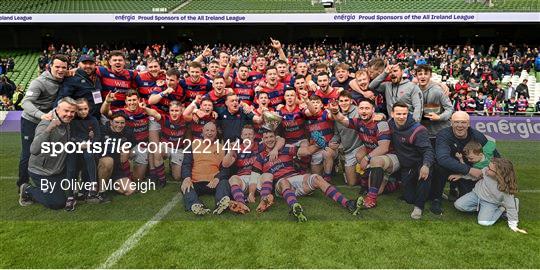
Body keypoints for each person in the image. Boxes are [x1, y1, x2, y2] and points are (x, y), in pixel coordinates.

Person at [251, 129, 362, 222]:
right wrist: (251, 193)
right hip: (280, 184)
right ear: (262, 140)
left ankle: (347, 203)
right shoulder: (260, 156)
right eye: (266, 138)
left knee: (317, 178)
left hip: (295, 177)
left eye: (271, 136)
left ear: (276, 138)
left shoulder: (285, 148)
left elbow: (307, 151)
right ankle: (295, 207)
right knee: (284, 182)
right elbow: (254, 176)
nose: (269, 139)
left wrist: (318, 145)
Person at [329, 99, 400, 209]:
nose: (364, 111)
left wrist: (367, 158)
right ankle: (388, 183)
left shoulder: (381, 123)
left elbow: (384, 147)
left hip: (391, 156)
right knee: (359, 155)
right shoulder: (359, 122)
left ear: (373, 110)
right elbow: (342, 119)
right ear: (358, 110)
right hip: (375, 156)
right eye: (361, 108)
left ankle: (371, 198)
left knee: (373, 160)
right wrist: (335, 112)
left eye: (367, 108)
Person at [431, 111, 500, 214]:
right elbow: (443, 158)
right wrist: (469, 170)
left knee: (466, 202)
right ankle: (436, 199)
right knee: (438, 167)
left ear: (468, 124)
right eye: (456, 122)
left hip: (469, 170)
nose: (460, 125)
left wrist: (497, 175)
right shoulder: (443, 135)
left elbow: (496, 157)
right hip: (451, 168)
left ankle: (457, 190)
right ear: (451, 123)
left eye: (463, 122)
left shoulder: (477, 136)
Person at [19, 54, 68, 189]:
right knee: (29, 152)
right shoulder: (39, 82)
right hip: (32, 120)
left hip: (49, 121)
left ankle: (49, 181)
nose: (60, 70)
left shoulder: (64, 78)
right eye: (57, 67)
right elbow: (25, 102)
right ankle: (23, 184)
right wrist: (40, 115)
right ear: (50, 66)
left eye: (64, 67)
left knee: (49, 151)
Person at [18, 98, 77, 209]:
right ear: (58, 109)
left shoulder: (66, 121)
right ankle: (27, 190)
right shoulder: (46, 124)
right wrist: (49, 129)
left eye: (72, 112)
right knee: (57, 203)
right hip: (42, 172)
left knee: (69, 194)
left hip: (57, 170)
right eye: (66, 111)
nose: (69, 114)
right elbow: (34, 150)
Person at [454, 158, 526, 233]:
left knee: (483, 222)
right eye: (488, 166)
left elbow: (511, 208)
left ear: (499, 173)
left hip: (490, 203)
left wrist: (513, 225)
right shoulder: (486, 171)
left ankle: (502, 208)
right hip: (475, 195)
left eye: (489, 168)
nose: (486, 169)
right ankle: (483, 210)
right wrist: (461, 176)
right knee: (458, 205)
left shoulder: (505, 189)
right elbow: (476, 175)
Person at [389, 102, 434, 219]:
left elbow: (428, 150)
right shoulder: (390, 124)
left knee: (425, 175)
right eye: (398, 114)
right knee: (409, 199)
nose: (401, 116)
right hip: (406, 166)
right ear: (392, 114)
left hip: (420, 163)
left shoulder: (418, 129)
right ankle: (432, 190)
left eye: (404, 114)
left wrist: (426, 165)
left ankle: (419, 207)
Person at [180, 122, 231, 215]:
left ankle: (221, 203)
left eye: (212, 130)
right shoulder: (193, 144)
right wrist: (187, 178)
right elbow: (186, 163)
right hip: (196, 181)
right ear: (202, 132)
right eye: (207, 130)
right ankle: (196, 205)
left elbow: (225, 169)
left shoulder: (221, 148)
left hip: (213, 182)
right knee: (186, 186)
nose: (209, 133)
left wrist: (217, 178)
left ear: (216, 133)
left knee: (224, 182)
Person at [64, 98, 101, 211]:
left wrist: (90, 143)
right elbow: (71, 136)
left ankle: (92, 186)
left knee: (89, 155)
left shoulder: (93, 120)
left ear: (89, 109)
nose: (83, 112)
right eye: (80, 109)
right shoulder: (72, 121)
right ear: (76, 110)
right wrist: (79, 143)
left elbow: (98, 136)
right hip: (74, 148)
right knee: (71, 168)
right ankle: (70, 196)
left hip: (88, 147)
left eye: (85, 109)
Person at [327, 91, 363, 186]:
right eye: (341, 101)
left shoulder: (358, 110)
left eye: (346, 100)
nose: (344, 103)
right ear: (338, 102)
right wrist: (332, 142)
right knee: (351, 183)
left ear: (351, 101)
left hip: (362, 147)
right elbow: (337, 134)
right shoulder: (336, 114)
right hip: (348, 150)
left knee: (365, 177)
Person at [57, 54, 102, 120]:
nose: (88, 66)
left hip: (97, 118)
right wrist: (56, 116)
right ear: (78, 64)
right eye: (84, 63)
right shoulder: (72, 78)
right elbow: (62, 99)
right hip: (80, 120)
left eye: (91, 63)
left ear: (95, 65)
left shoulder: (97, 77)